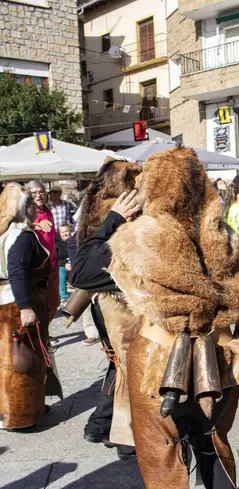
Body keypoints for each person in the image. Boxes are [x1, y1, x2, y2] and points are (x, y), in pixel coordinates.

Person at [107, 146, 239, 489]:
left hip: (158, 358)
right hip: (214, 358)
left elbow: (83, 270)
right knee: (212, 441)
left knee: (161, 457)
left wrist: (114, 220)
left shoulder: (136, 235)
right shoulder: (224, 235)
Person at [70, 157, 142, 460]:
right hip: (115, 301)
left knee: (119, 363)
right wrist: (114, 219)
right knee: (129, 364)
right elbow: (81, 269)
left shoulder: (95, 206)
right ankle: (126, 437)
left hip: (104, 299)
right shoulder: (114, 211)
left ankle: (99, 424)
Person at [0, 183, 50, 430]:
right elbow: (17, 271)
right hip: (18, 303)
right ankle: (21, 415)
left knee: (13, 359)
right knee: (22, 361)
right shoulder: (21, 237)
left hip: (11, 301)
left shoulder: (9, 234)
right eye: (31, 204)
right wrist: (25, 306)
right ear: (25, 208)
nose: (35, 208)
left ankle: (28, 406)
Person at [26, 181, 59, 324]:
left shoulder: (48, 210)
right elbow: (17, 225)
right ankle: (42, 336)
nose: (38, 195)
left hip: (52, 264)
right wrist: (34, 225)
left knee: (54, 303)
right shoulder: (26, 213)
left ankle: (46, 332)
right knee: (39, 304)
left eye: (41, 192)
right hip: (37, 268)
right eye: (34, 193)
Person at [56, 223, 72, 304]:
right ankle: (64, 297)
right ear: (59, 233)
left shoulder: (75, 242)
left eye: (67, 231)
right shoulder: (57, 244)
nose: (65, 234)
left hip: (75, 264)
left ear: (70, 232)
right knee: (61, 272)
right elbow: (56, 259)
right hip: (63, 265)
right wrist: (64, 264)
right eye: (63, 232)